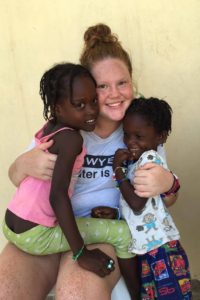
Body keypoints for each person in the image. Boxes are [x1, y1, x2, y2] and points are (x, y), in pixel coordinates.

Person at [0, 24, 178, 300]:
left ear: (133, 81)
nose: (115, 94)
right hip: (46, 226)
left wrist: (167, 183)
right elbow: (16, 178)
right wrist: (21, 165)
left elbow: (164, 200)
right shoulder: (67, 124)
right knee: (5, 288)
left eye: (123, 82)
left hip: (99, 233)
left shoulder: (142, 131)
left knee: (76, 293)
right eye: (102, 87)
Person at [112, 97, 192, 299]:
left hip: (161, 247)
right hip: (148, 245)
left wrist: (117, 171)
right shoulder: (135, 162)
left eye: (139, 136)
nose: (131, 142)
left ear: (161, 137)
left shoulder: (149, 160)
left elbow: (137, 204)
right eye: (127, 135)